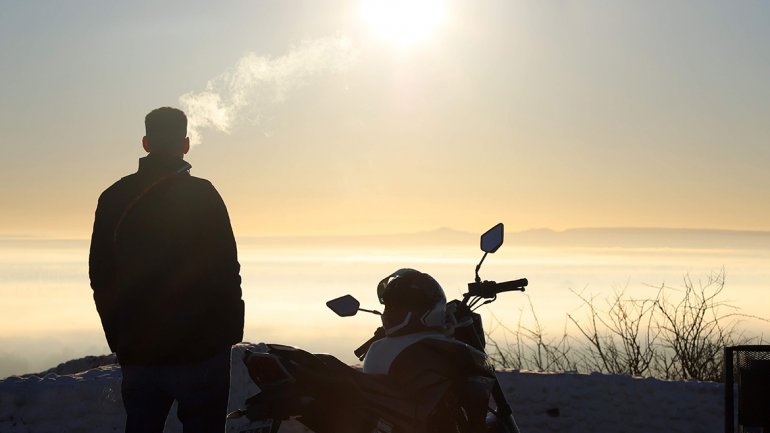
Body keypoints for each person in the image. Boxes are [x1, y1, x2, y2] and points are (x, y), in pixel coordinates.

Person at [89, 107, 244, 433]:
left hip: (139, 349)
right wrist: (229, 334)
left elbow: (100, 276)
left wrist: (119, 338)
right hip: (202, 349)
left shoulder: (113, 198)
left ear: (146, 143)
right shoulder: (203, 195)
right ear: (185, 145)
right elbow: (227, 270)